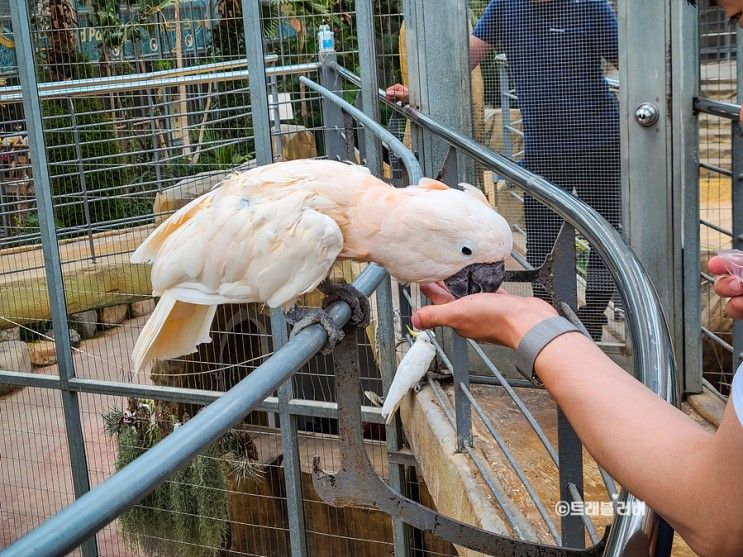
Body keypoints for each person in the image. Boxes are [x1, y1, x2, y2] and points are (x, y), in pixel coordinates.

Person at [387, 0, 621, 341]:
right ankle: (551, 323)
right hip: (543, 152)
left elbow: (631, 63)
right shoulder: (505, 7)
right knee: (542, 242)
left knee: (604, 236)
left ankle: (594, 315)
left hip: (600, 142)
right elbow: (461, 61)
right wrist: (417, 93)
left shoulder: (591, 6)